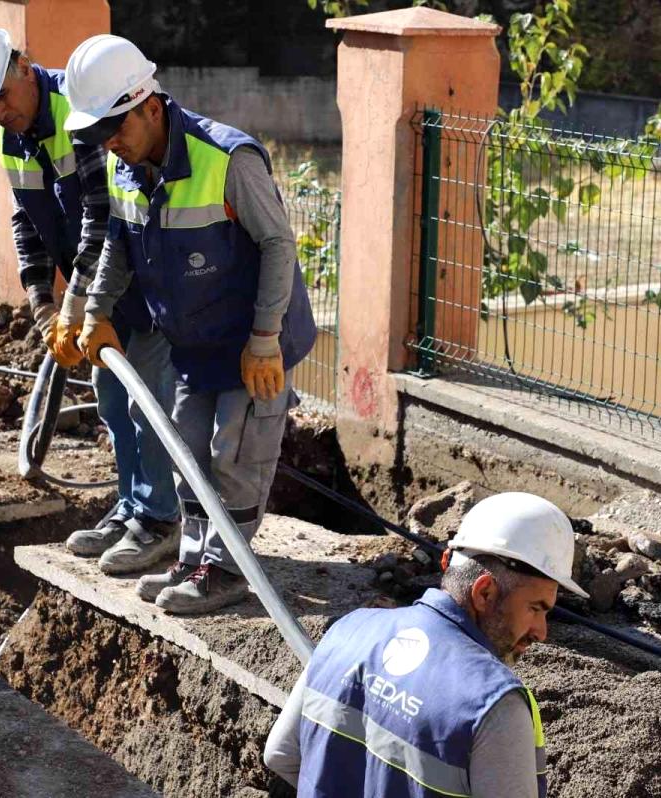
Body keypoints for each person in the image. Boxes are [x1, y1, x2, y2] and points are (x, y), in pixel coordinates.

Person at [61, 34, 317, 615]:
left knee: (236, 453)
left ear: (151, 105)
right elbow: (118, 247)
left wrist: (264, 339)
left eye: (116, 129)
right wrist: (97, 311)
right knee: (187, 451)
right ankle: (197, 556)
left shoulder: (227, 158)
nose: (111, 146)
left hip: (253, 340)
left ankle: (226, 570)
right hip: (193, 343)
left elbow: (278, 243)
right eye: (100, 135)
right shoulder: (128, 168)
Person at [0, 24, 182, 574]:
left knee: (148, 404)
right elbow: (27, 221)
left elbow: (104, 214)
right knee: (114, 405)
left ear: (23, 66)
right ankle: (132, 507)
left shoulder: (81, 115)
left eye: (2, 94)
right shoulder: (13, 137)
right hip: (93, 293)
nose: (0, 111)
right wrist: (41, 303)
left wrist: (75, 304)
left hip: (138, 282)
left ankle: (161, 520)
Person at [263, 492, 587, 797]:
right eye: (535, 608)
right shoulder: (493, 704)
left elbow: (280, 754)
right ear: (484, 592)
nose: (541, 632)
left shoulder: (348, 630)